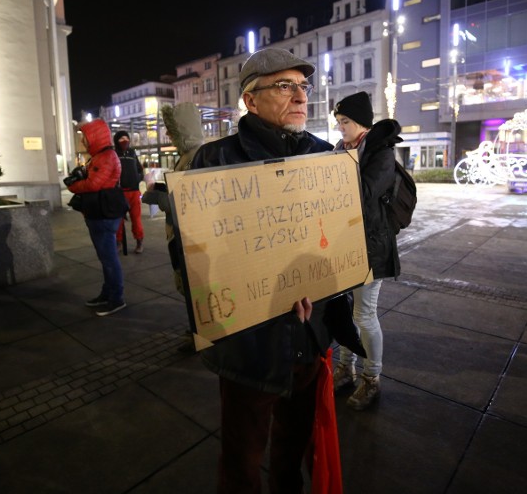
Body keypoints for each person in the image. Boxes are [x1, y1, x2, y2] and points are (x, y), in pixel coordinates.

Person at [188, 48, 363, 493]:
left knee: (292, 453)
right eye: (285, 86)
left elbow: (342, 238)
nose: (300, 95)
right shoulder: (213, 163)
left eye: (303, 86)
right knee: (243, 461)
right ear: (250, 99)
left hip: (311, 336)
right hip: (250, 346)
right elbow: (194, 258)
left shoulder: (327, 158)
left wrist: (319, 284)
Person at [331, 91, 402, 410]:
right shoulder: (339, 149)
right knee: (347, 314)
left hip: (371, 246)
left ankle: (371, 378)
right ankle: (346, 369)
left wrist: (331, 183)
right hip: (343, 243)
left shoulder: (381, 151)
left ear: (360, 122)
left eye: (344, 121)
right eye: (338, 122)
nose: (340, 128)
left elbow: (367, 192)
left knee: (364, 313)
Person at [141, 102, 204, 295]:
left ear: (182, 131)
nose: (168, 135)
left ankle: (199, 325)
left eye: (171, 130)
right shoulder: (191, 155)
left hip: (188, 237)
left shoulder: (195, 158)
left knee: (193, 289)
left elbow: (182, 203)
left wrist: (152, 192)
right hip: (183, 235)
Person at [66, 118, 127, 317]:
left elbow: (93, 185)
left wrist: (74, 186)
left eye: (84, 137)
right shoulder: (100, 156)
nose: (83, 141)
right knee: (105, 258)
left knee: (109, 259)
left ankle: (116, 299)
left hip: (103, 214)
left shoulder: (107, 157)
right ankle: (107, 293)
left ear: (94, 136)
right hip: (97, 212)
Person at [113, 130, 145, 254]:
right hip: (120, 193)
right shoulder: (114, 153)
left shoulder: (132, 152)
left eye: (126, 139)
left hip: (134, 192)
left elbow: (139, 169)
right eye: (121, 139)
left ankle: (139, 241)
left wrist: (138, 178)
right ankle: (119, 242)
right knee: (119, 220)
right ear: (117, 141)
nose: (125, 141)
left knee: (136, 219)